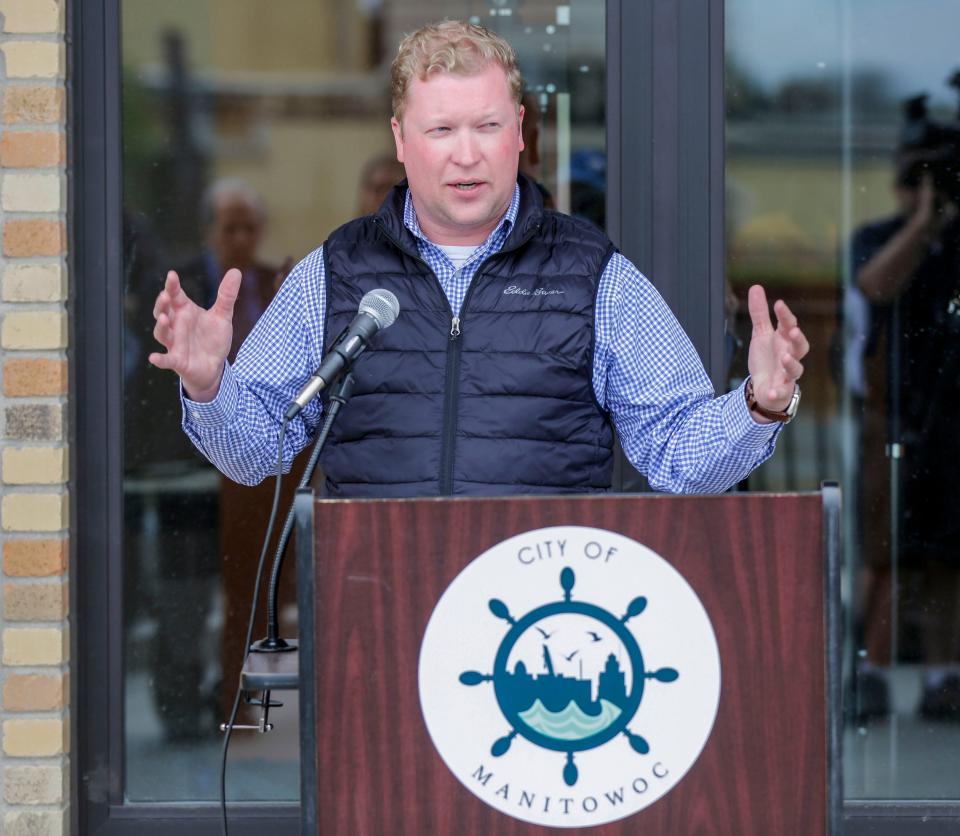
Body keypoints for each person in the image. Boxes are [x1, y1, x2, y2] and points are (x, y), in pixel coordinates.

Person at [149, 20, 808, 498]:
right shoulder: (335, 270)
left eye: (487, 127)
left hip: (536, 629)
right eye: (440, 130)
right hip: (374, 621)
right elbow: (257, 450)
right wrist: (210, 387)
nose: (466, 154)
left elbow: (676, 453)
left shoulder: (593, 274)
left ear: (520, 132)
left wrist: (758, 406)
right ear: (401, 140)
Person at [852, 160, 960, 720]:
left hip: (950, 420)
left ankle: (945, 676)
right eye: (916, 182)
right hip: (890, 418)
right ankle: (869, 672)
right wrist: (921, 225)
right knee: (885, 551)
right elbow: (875, 284)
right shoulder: (876, 238)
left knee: (946, 557)